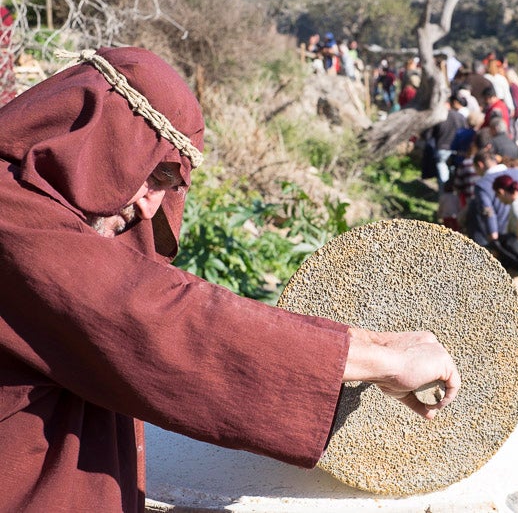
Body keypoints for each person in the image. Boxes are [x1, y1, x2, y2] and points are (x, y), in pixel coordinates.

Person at [0, 47, 461, 512]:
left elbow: (145, 294)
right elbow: (156, 318)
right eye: (153, 173)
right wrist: (381, 362)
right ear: (106, 142)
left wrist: (376, 345)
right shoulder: (11, 219)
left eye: (170, 185)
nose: (150, 207)